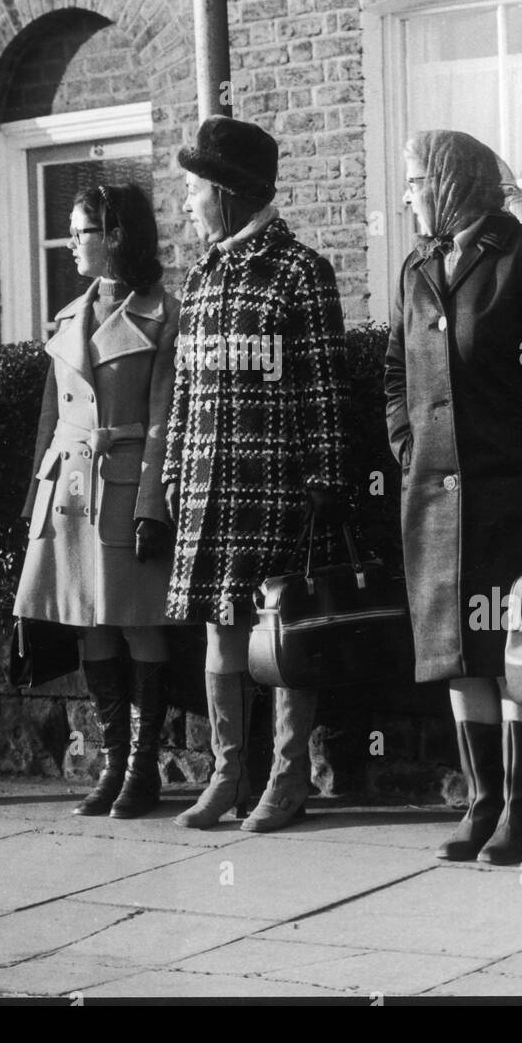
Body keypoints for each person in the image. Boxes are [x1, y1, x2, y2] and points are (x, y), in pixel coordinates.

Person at [384, 130, 522, 865]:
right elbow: (393, 376)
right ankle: (481, 805)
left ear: (450, 180)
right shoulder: (416, 266)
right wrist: (410, 451)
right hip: (434, 501)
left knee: (513, 651)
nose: (406, 194)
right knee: (456, 653)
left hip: (512, 496)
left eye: (414, 180)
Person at [164, 115, 350, 833]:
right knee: (221, 629)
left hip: (275, 483)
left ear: (227, 192)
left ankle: (287, 776)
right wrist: (177, 466)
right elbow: (185, 387)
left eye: (192, 189)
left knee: (282, 637)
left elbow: (324, 389)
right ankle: (226, 774)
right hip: (210, 485)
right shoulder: (204, 272)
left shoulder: (301, 272)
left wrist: (327, 482)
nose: (186, 203)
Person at [14, 184, 180, 819]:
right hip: (71, 489)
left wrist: (152, 505)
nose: (70, 241)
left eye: (81, 230)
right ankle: (112, 762)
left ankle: (144, 768)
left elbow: (167, 419)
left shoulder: (167, 313)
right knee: (89, 619)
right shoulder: (68, 317)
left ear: (114, 235)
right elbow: (51, 422)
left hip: (126, 484)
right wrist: (36, 499)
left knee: (138, 621)